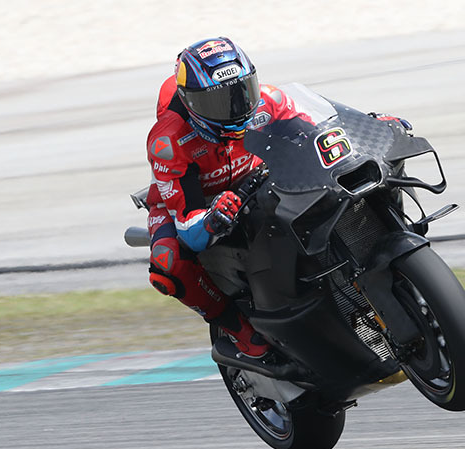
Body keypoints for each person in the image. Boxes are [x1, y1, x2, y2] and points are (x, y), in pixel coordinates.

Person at [145, 37, 409, 359]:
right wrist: (212, 217)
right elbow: (189, 229)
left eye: (241, 92)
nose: (235, 108)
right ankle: (241, 333)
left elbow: (320, 131)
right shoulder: (169, 141)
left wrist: (369, 128)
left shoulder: (268, 100)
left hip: (265, 178)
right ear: (189, 102)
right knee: (167, 261)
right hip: (205, 205)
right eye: (217, 102)